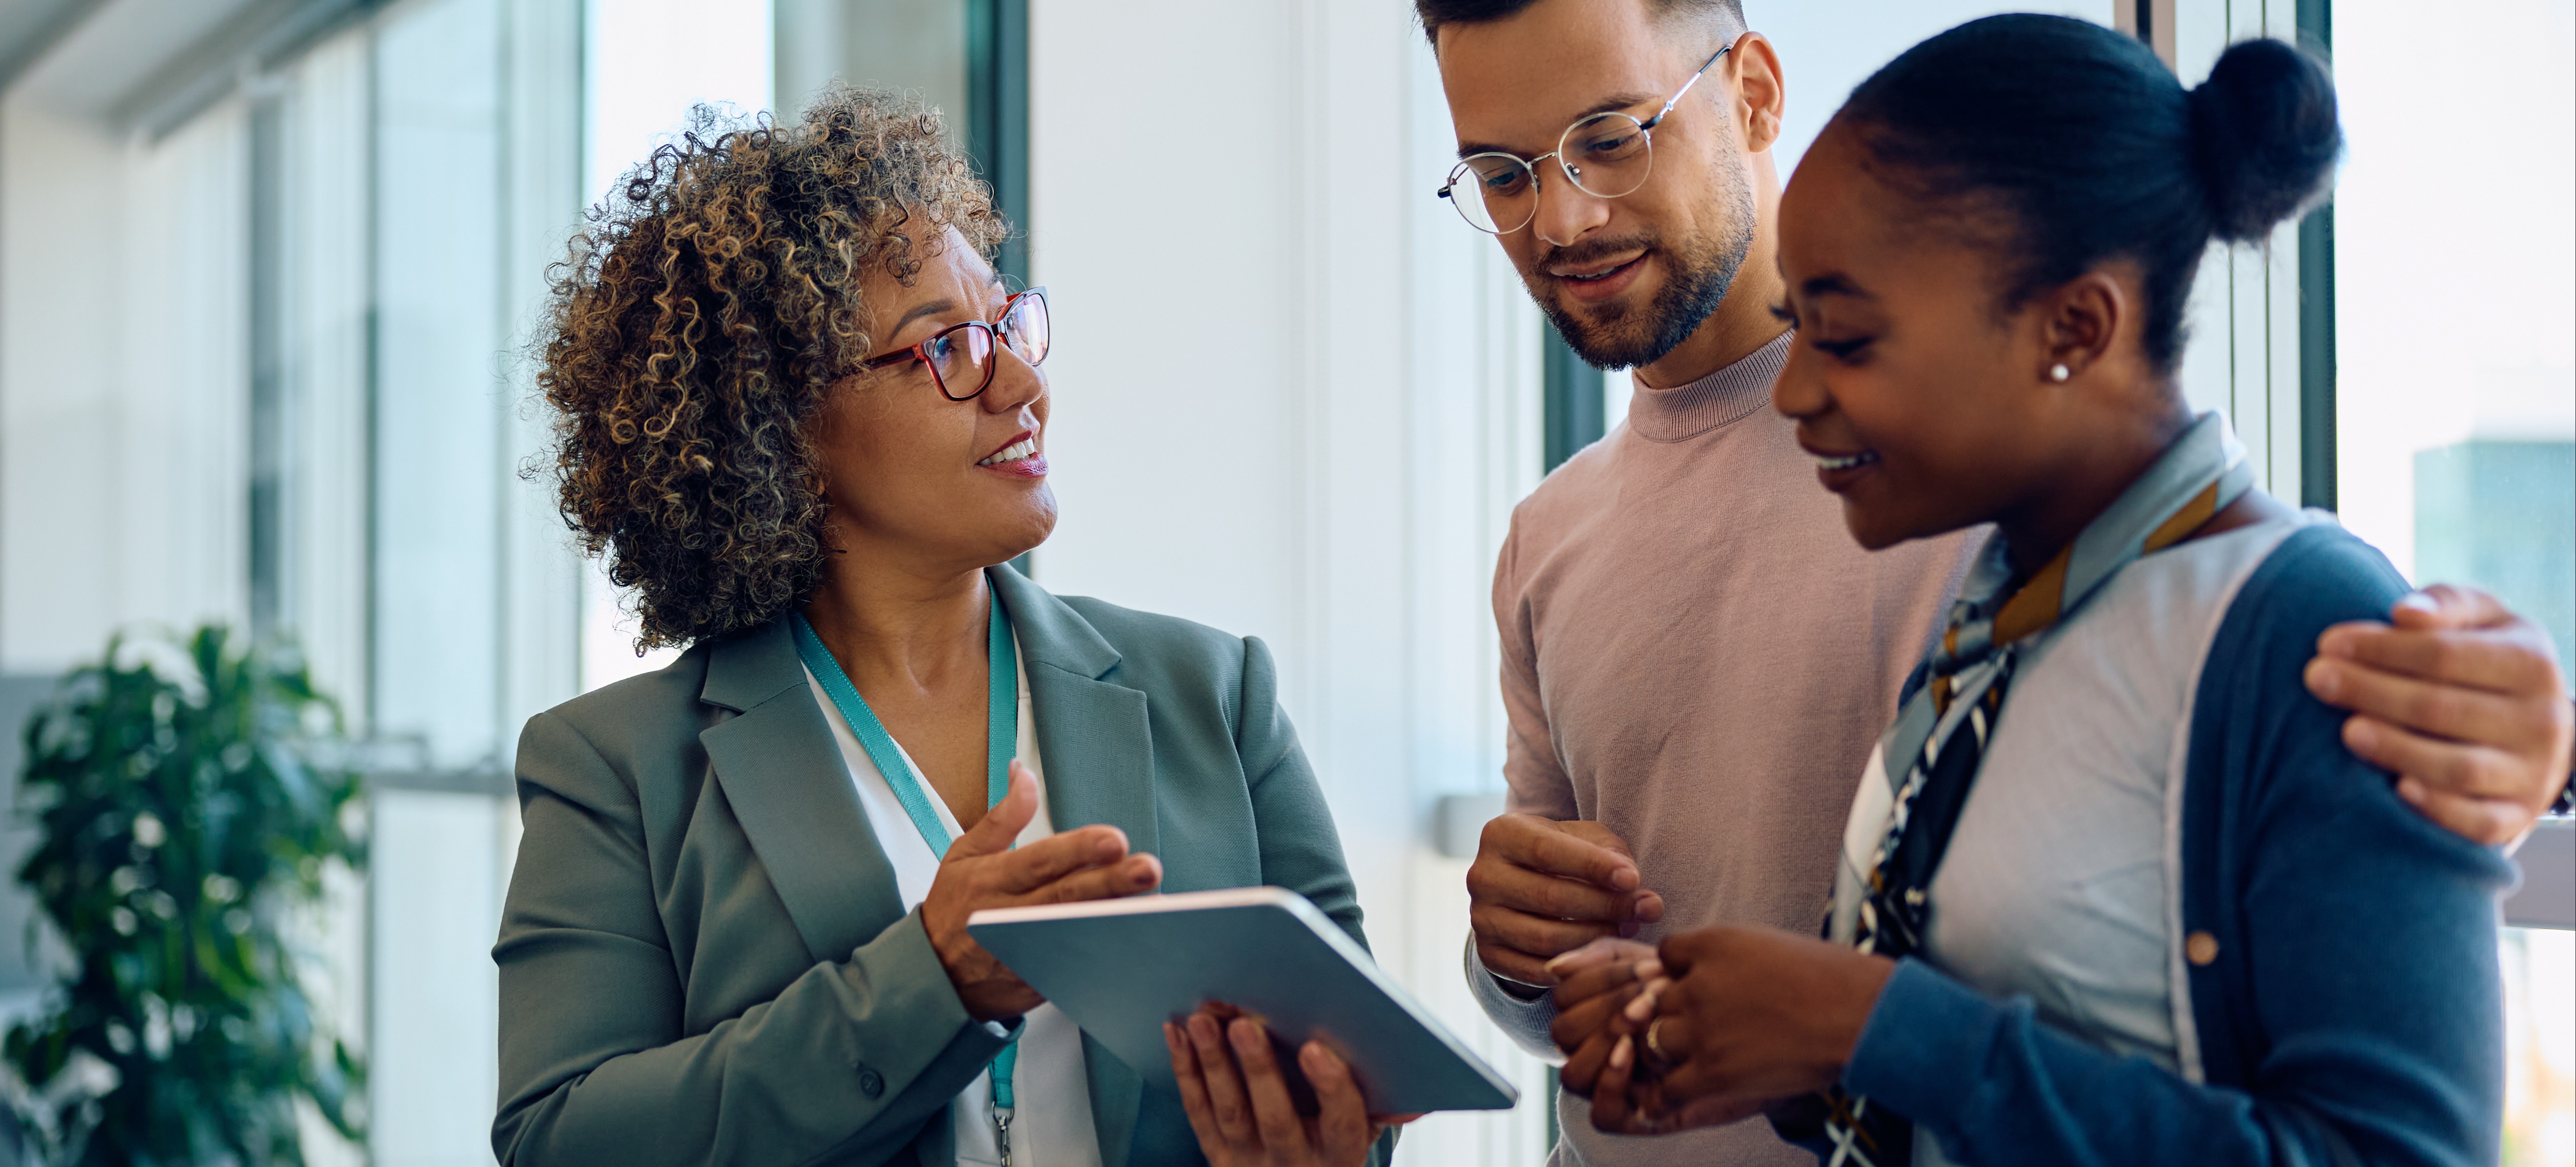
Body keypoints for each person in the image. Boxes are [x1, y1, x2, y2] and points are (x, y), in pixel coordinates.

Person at [1419, 0, 2576, 1160]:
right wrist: (1529, 958)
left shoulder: (2005, 509)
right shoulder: (1986, 595)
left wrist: (2547, 742)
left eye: (1610, 137)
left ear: (1754, 93)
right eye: (1501, 173)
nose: (1561, 215)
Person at [490, 88, 1397, 1166]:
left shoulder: (1213, 691)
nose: (1022, 382)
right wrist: (929, 980)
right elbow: (562, 1140)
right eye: (950, 346)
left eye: (1009, 324)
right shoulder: (616, 769)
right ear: (778, 425)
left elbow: (1364, 1082)